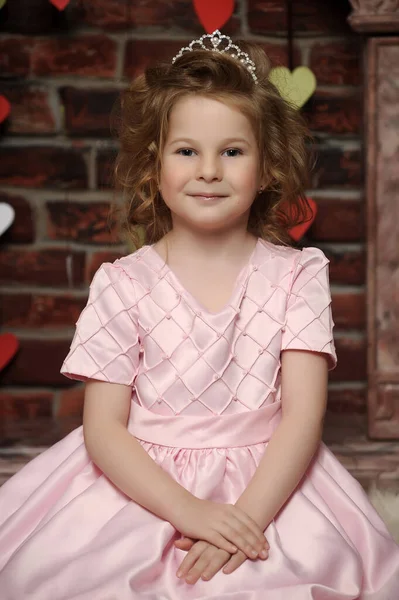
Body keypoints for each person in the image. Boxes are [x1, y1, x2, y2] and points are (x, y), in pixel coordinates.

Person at [0, 29, 398, 600]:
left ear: (265, 171)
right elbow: (105, 429)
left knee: (277, 579)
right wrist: (190, 512)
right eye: (187, 151)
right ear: (153, 169)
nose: (209, 169)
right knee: (86, 577)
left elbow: (302, 416)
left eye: (232, 151)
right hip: (145, 481)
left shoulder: (297, 275)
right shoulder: (122, 283)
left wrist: (244, 521)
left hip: (267, 478)